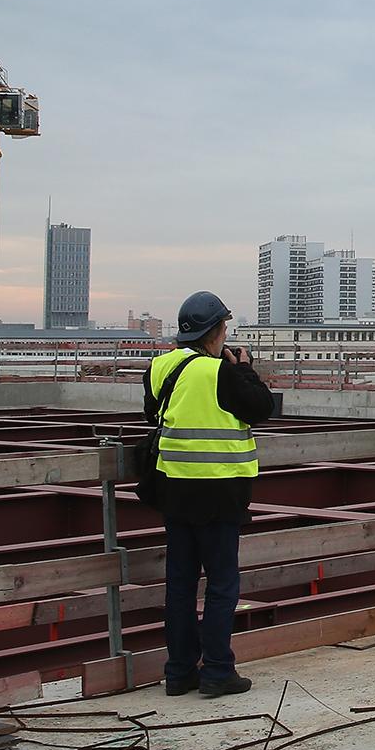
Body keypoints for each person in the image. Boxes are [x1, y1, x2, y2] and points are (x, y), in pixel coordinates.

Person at [144, 291, 276, 698]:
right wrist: (247, 372)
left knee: (179, 584)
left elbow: (154, 415)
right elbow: (261, 409)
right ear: (217, 330)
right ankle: (218, 669)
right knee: (221, 584)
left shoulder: (160, 367)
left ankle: (179, 671)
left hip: (174, 489)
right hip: (221, 491)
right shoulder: (220, 371)